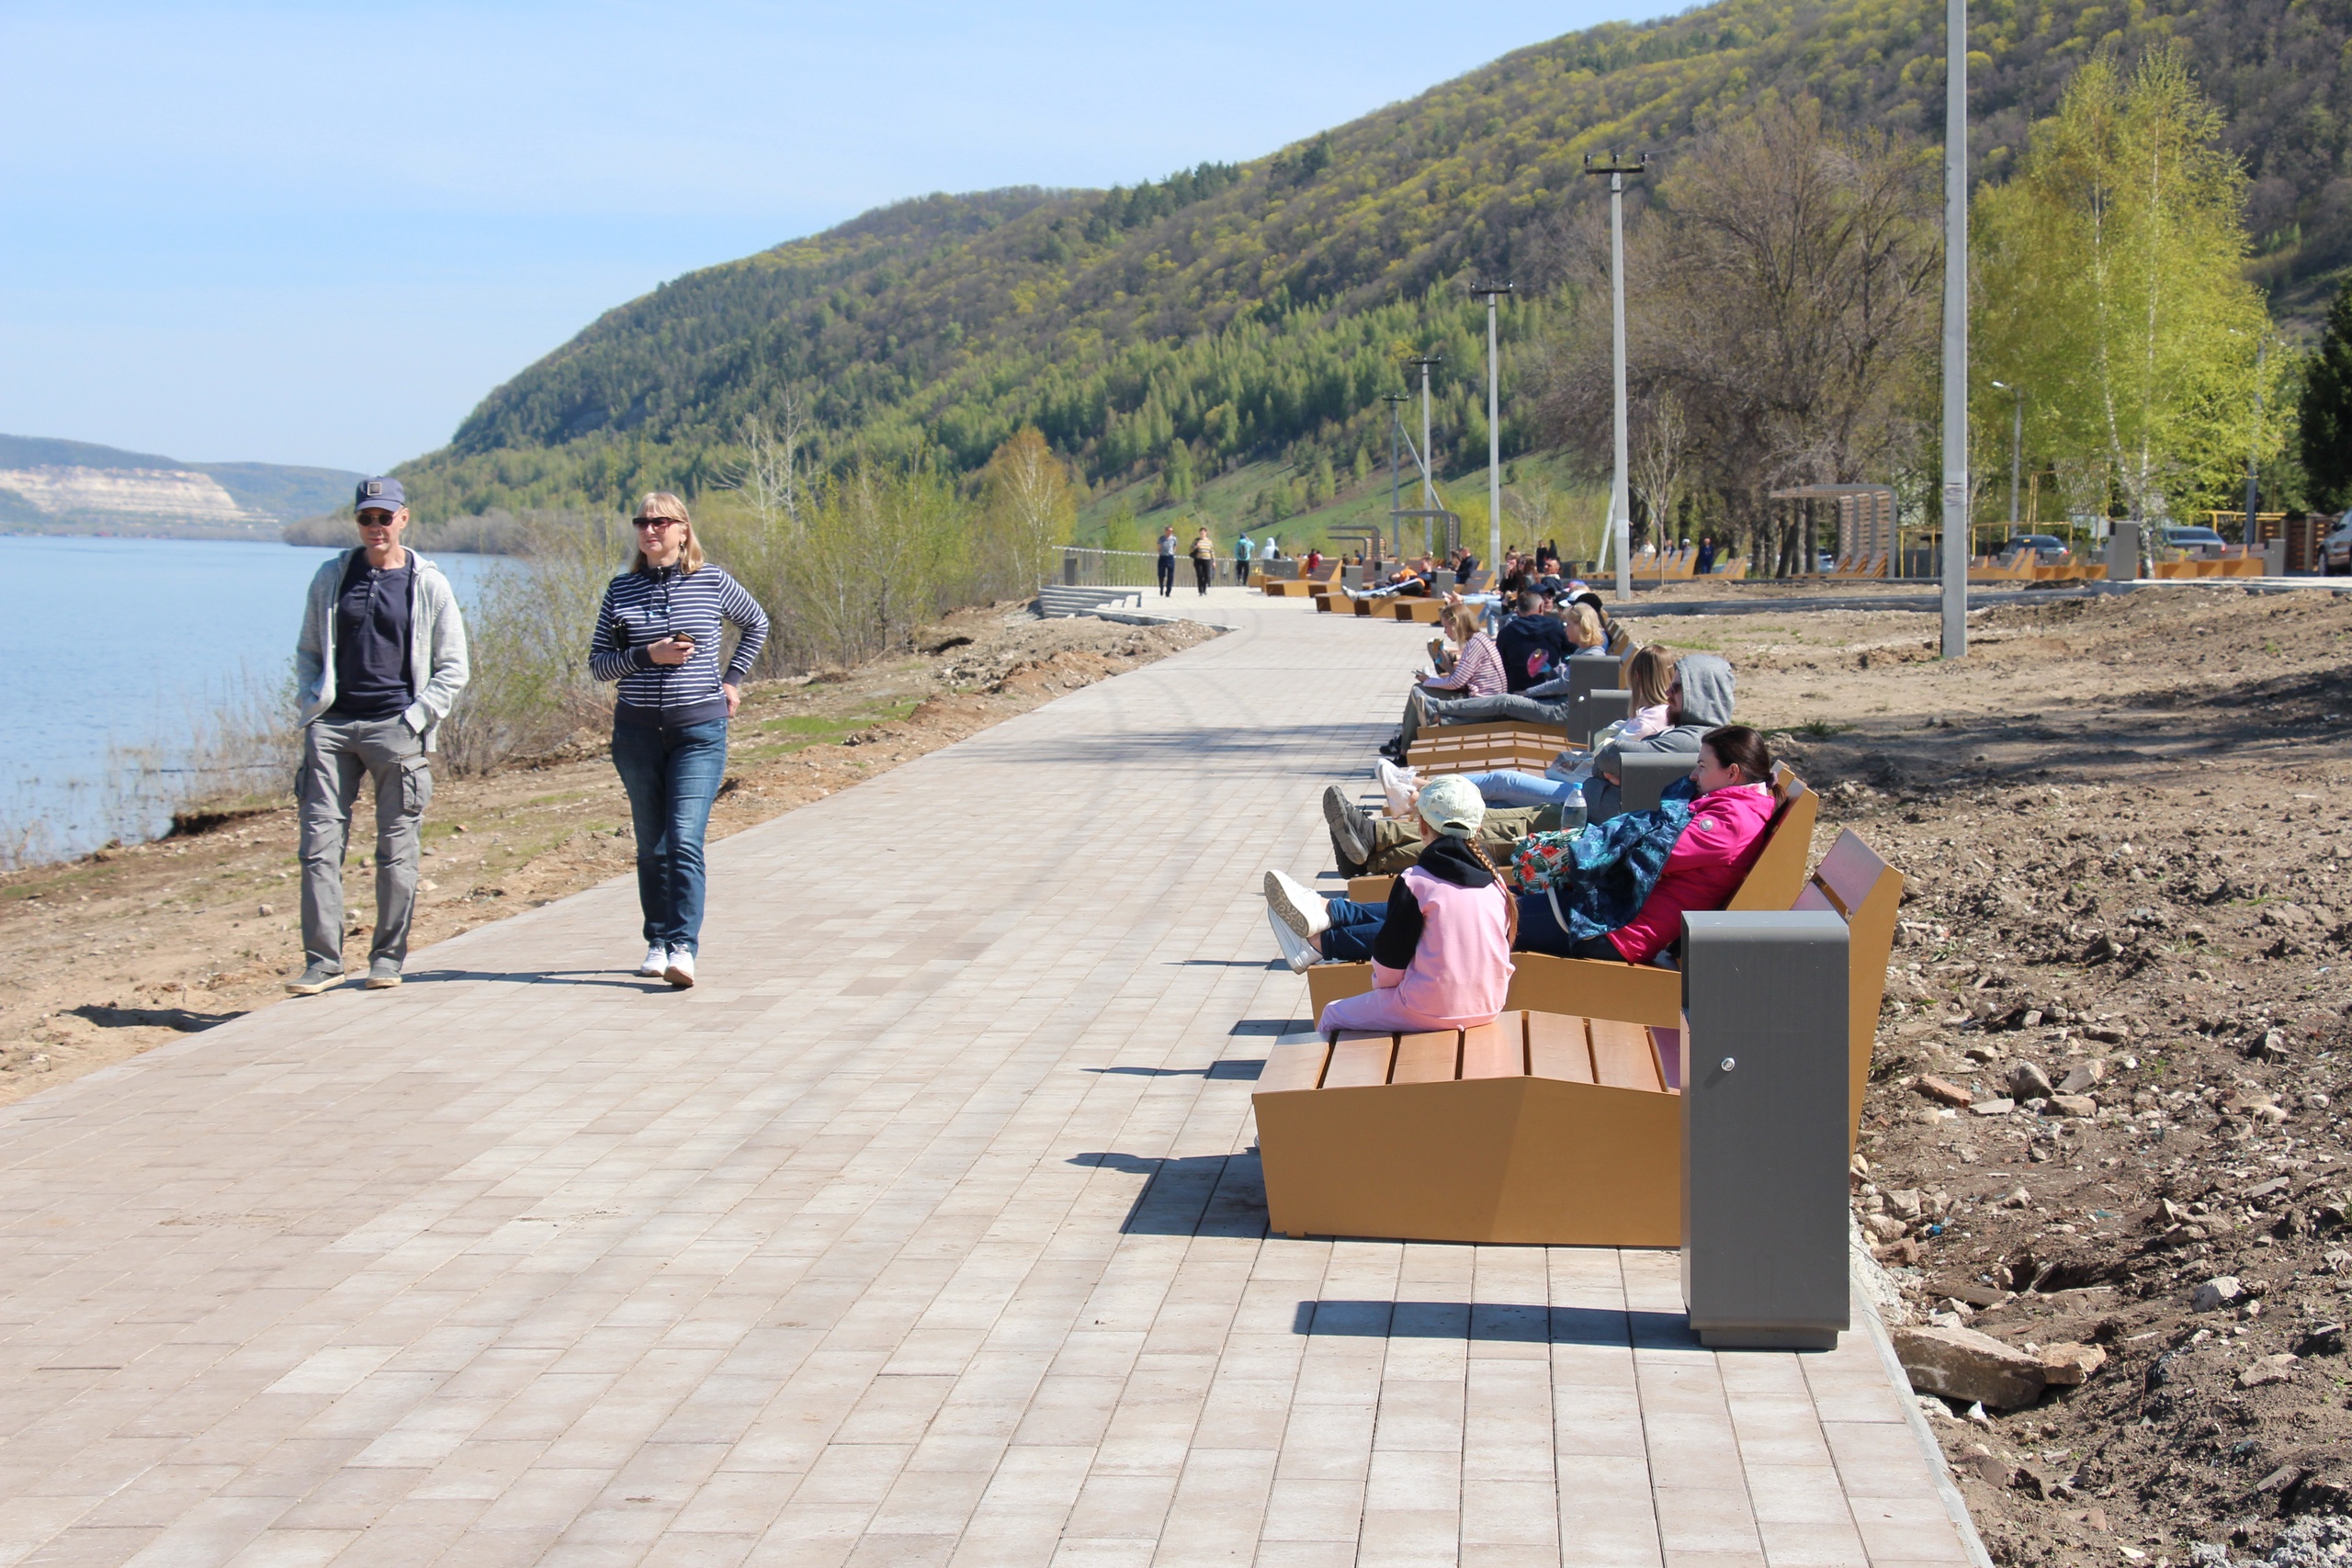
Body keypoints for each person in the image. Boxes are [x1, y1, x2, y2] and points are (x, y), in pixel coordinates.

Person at [287, 476, 472, 995]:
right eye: (366, 518)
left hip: (397, 729)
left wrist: (417, 718)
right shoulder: (331, 576)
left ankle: (387, 958)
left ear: (403, 518)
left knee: (396, 852)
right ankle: (322, 963)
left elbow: (454, 666)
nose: (375, 527)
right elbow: (307, 651)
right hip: (331, 729)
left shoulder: (427, 582)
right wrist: (311, 705)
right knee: (319, 848)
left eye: (383, 517)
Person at [588, 492, 771, 988]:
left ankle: (684, 948)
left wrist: (732, 680)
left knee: (684, 839)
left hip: (699, 731)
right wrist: (648, 655)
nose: (650, 531)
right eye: (642, 522)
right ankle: (657, 940)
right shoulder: (620, 590)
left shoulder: (710, 581)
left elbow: (757, 623)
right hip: (637, 733)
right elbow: (598, 665)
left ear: (683, 530)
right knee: (651, 845)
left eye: (661, 522)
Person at [1264, 779, 1516, 1037]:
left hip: (1427, 1007)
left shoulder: (1415, 881)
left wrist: (1382, 986)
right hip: (1490, 1006)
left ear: (1421, 825)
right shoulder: (1497, 885)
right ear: (1479, 829)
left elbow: (1389, 957)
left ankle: (1333, 1075)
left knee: (1332, 1014)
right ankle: (1319, 927)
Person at [1510, 727, 1779, 962]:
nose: (1694, 776)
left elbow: (1648, 853)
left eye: (1702, 766)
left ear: (1732, 773)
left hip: (1616, 931)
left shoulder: (1732, 823)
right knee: (1492, 902)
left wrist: (1584, 847)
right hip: (1610, 911)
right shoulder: (1732, 810)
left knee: (1487, 920)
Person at [1385, 646, 1678, 816]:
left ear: (1637, 677)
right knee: (1501, 801)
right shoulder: (1652, 717)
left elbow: (1606, 756)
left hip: (1588, 795)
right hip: (1590, 787)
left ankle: (1421, 787)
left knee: (1505, 780)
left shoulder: (1648, 721)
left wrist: (1603, 753)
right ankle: (1417, 804)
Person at [1583, 652, 1736, 823]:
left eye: (1676, 688)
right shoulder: (1703, 736)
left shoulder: (1693, 740)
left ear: (1699, 694)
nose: (1667, 692)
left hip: (1606, 828)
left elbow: (1611, 755)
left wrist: (1606, 772)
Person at [1382, 603, 1505, 760]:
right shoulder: (1478, 640)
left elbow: (1456, 683)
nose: (1445, 632)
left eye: (1446, 627)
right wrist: (1446, 666)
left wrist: (1429, 680)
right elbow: (1464, 680)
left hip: (1481, 704)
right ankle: (1404, 749)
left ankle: (1404, 749)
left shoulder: (1475, 644)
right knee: (1418, 691)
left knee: (1418, 691)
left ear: (1456, 624)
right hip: (1481, 699)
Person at [1494, 590, 1571, 693]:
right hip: (1550, 691)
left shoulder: (1505, 633)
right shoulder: (1557, 628)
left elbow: (1500, 666)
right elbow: (1572, 654)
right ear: (1540, 607)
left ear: (1518, 612)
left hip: (1517, 693)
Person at [1193, 527, 1217, 595]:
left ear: (1206, 533)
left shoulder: (1209, 541)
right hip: (1198, 560)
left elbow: (1212, 552)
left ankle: (1204, 587)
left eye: (1203, 532)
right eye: (1201, 533)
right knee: (1200, 575)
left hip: (1207, 560)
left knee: (1207, 576)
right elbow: (1191, 549)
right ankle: (1200, 590)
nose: (1202, 534)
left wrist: (1214, 561)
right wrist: (1196, 547)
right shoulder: (1196, 540)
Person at [1156, 525, 1178, 598]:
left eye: (1171, 531)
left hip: (1170, 557)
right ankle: (1161, 587)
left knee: (1170, 575)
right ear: (1166, 531)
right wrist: (1161, 552)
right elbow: (1158, 547)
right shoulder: (1161, 538)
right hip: (1162, 557)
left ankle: (1168, 591)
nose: (1170, 532)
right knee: (1161, 574)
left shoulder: (1174, 538)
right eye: (1169, 531)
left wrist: (1173, 552)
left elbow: (1175, 546)